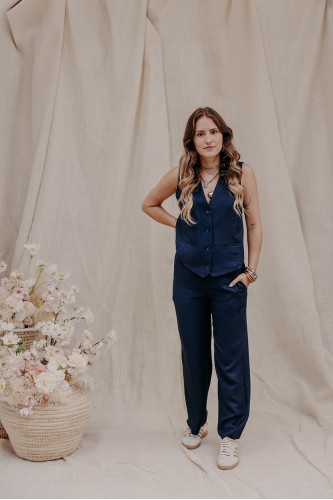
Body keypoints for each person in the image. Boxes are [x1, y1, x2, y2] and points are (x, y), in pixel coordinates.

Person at [141, 106, 262, 470]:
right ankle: (196, 424)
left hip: (229, 279)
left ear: (223, 135)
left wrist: (250, 272)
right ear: (191, 141)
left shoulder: (243, 173)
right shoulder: (182, 173)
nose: (208, 139)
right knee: (193, 353)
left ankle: (230, 436)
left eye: (213, 132)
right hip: (188, 279)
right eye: (200, 133)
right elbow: (148, 204)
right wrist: (180, 224)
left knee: (230, 358)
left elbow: (254, 225)